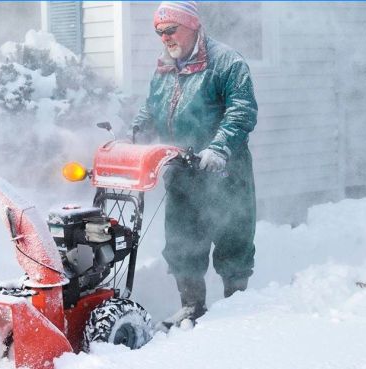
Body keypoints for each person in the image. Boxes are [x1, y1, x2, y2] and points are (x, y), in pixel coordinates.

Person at [132, 1, 257, 330]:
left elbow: (241, 111)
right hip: (182, 172)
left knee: (233, 240)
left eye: (170, 30)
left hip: (223, 171)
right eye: (159, 32)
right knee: (182, 242)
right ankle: (191, 306)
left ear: (191, 26)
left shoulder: (226, 62)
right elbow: (151, 109)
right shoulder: (164, 67)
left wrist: (218, 147)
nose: (165, 38)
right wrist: (135, 135)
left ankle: (236, 306)